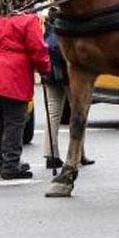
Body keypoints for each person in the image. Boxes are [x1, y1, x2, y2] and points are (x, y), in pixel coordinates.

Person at [0, 10, 50, 180]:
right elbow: (37, 49)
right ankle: (11, 164)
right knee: (14, 121)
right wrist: (45, 69)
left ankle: (3, 160)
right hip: (13, 75)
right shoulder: (28, 20)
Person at [42, 16, 93, 169]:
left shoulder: (49, 25)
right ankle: (79, 153)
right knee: (79, 110)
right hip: (74, 74)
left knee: (53, 112)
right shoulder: (76, 23)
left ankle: (51, 153)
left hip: (52, 72)